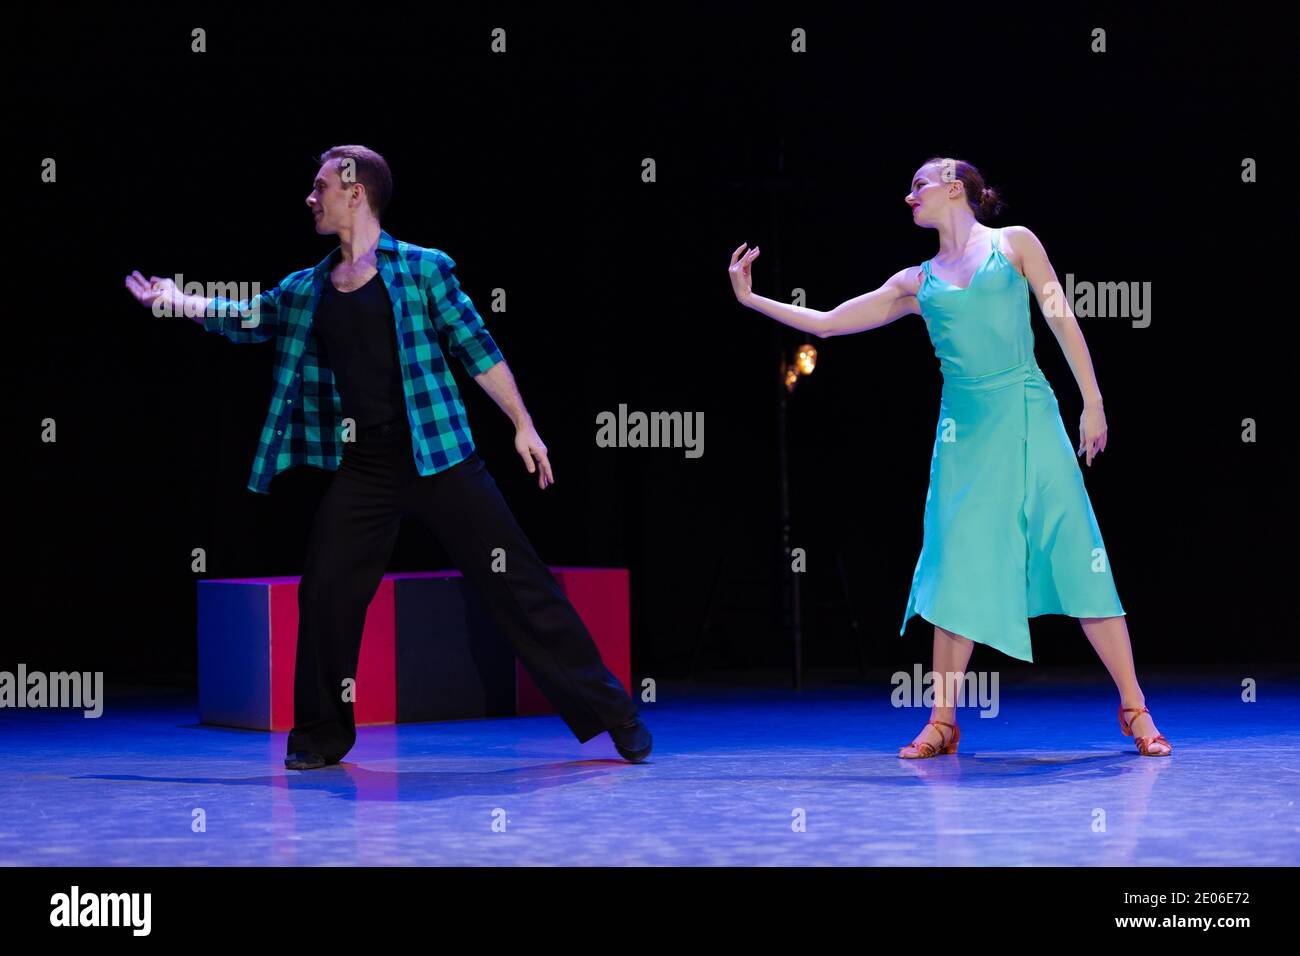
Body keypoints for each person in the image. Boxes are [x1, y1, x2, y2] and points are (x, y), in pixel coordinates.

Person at [125, 144, 651, 769]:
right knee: (324, 593)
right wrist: (177, 300)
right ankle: (322, 735)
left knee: (521, 585)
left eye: (320, 186)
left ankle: (615, 716)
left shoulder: (424, 269)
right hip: (367, 466)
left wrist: (523, 424)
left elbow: (477, 348)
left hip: (443, 459)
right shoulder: (309, 289)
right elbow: (246, 317)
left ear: (356, 192)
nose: (310, 198)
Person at [727, 156, 1171, 758]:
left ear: (954, 188)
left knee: (1077, 549)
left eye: (918, 185)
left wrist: (1092, 401)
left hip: (1027, 412)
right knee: (955, 560)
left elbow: (1061, 318)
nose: (908, 196)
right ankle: (942, 721)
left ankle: (1134, 707)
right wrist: (753, 301)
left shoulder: (1015, 244)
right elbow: (829, 324)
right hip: (963, 433)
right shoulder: (918, 281)